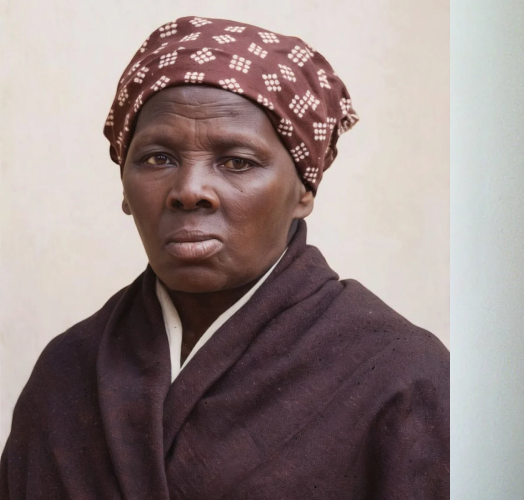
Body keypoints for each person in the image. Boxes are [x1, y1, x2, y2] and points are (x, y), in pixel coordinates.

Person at [0, 16, 449, 500]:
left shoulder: (399, 374)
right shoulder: (68, 370)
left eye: (237, 161)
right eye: (158, 158)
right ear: (125, 187)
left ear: (303, 190)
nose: (189, 191)